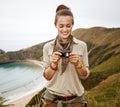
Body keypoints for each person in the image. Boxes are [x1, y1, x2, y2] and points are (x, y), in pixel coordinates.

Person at [41, 4, 90, 107]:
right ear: (55, 25)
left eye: (68, 26)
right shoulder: (47, 47)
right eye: (61, 26)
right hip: (51, 100)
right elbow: (47, 77)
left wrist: (78, 64)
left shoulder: (82, 46)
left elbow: (85, 75)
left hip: (76, 100)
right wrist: (53, 64)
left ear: (72, 25)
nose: (65, 29)